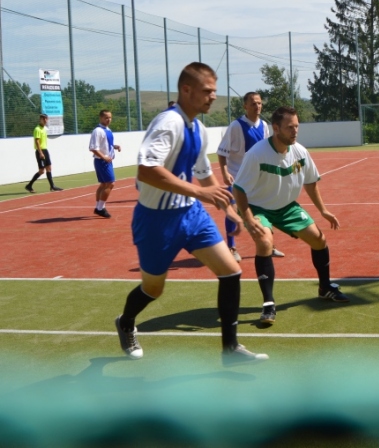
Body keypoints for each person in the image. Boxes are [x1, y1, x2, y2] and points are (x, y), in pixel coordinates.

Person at [114, 62, 267, 365]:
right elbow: (146, 171)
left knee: (231, 271)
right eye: (207, 91)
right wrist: (201, 192)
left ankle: (230, 349)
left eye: (214, 91)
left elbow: (204, 173)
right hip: (156, 220)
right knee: (153, 288)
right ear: (186, 90)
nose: (213, 97)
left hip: (191, 214)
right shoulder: (167, 123)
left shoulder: (198, 128)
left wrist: (231, 210)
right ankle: (126, 321)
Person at [233, 106, 348, 327]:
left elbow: (311, 182)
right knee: (265, 242)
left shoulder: (300, 151)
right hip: (258, 207)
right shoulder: (256, 154)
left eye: (297, 126)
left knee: (318, 239)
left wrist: (323, 210)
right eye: (290, 127)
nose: (295, 131)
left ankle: (325, 288)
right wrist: (248, 218)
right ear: (276, 128)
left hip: (286, 207)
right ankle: (268, 303)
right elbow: (238, 189)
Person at [217, 92, 285, 263]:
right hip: (238, 176)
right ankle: (232, 247)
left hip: (258, 177)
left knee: (265, 210)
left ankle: (269, 244)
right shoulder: (236, 126)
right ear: (245, 106)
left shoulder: (263, 125)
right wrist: (225, 173)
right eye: (253, 104)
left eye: (260, 103)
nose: (257, 107)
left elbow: (266, 150)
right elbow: (222, 151)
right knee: (233, 209)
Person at [88, 109, 121, 218]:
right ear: (101, 118)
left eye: (110, 117)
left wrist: (115, 146)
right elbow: (93, 148)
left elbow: (105, 144)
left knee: (103, 184)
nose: (108, 120)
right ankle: (100, 208)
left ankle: (98, 207)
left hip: (106, 161)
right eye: (106, 117)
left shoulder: (107, 130)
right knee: (110, 183)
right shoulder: (97, 131)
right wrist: (104, 157)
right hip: (102, 161)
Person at [24, 114, 63, 193]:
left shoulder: (44, 129)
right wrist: (40, 153)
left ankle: (52, 187)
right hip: (40, 151)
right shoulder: (37, 129)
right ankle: (29, 185)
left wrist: (44, 152)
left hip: (45, 150)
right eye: (43, 119)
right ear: (40, 120)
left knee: (49, 168)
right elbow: (37, 142)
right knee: (42, 171)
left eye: (46, 119)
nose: (45, 120)